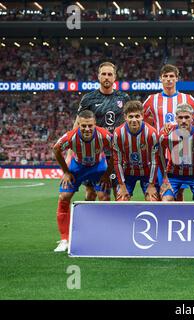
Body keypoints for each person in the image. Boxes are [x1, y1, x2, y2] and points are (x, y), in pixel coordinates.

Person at [143, 64, 194, 201]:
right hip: (161, 151)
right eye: (166, 76)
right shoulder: (152, 100)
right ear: (160, 79)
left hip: (183, 151)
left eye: (171, 76)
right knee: (159, 192)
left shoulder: (187, 99)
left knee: (179, 193)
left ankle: (177, 220)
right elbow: (142, 120)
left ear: (176, 79)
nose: (169, 79)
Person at [53, 110, 113, 252]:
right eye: (83, 126)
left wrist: (107, 174)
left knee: (104, 197)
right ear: (78, 124)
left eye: (90, 126)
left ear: (95, 124)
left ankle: (102, 235)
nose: (86, 129)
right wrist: (66, 172)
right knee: (64, 196)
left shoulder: (104, 136)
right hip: (77, 167)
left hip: (98, 167)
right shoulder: (70, 137)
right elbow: (56, 149)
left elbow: (117, 152)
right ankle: (64, 239)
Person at [74, 62, 131, 201]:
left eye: (110, 74)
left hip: (115, 154)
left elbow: (128, 125)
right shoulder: (88, 98)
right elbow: (77, 124)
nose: (106, 77)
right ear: (98, 76)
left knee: (113, 194)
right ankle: (89, 222)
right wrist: (72, 151)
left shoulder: (124, 98)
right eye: (104, 74)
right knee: (91, 193)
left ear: (115, 77)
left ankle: (115, 222)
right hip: (93, 154)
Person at [158, 104, 194, 202]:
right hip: (173, 175)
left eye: (187, 117)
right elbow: (160, 155)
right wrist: (165, 178)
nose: (183, 121)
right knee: (166, 200)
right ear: (176, 118)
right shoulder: (166, 135)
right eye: (180, 117)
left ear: (192, 118)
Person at [112, 101, 160, 201]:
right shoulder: (118, 133)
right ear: (125, 117)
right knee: (121, 199)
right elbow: (117, 161)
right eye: (131, 116)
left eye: (137, 116)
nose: (134, 120)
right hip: (127, 172)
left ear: (142, 116)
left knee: (153, 200)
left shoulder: (151, 133)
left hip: (147, 172)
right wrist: (122, 185)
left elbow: (155, 161)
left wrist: (151, 185)